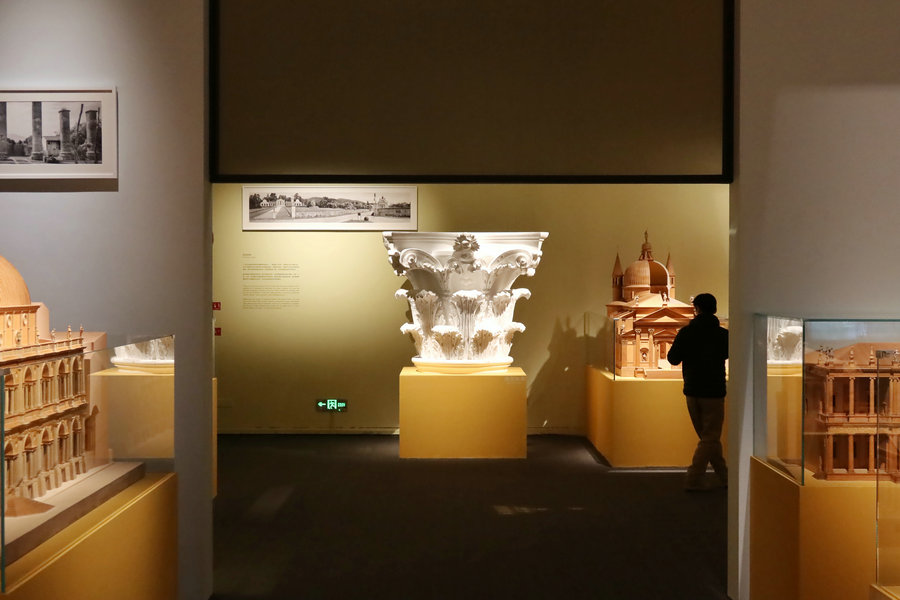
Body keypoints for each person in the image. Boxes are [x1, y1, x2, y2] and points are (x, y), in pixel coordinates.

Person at [667, 293, 728, 491]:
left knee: (707, 437)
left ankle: (724, 477)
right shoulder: (722, 335)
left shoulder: (686, 333)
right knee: (710, 437)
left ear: (696, 309)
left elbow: (673, 358)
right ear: (715, 309)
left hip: (692, 390)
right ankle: (694, 479)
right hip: (714, 390)